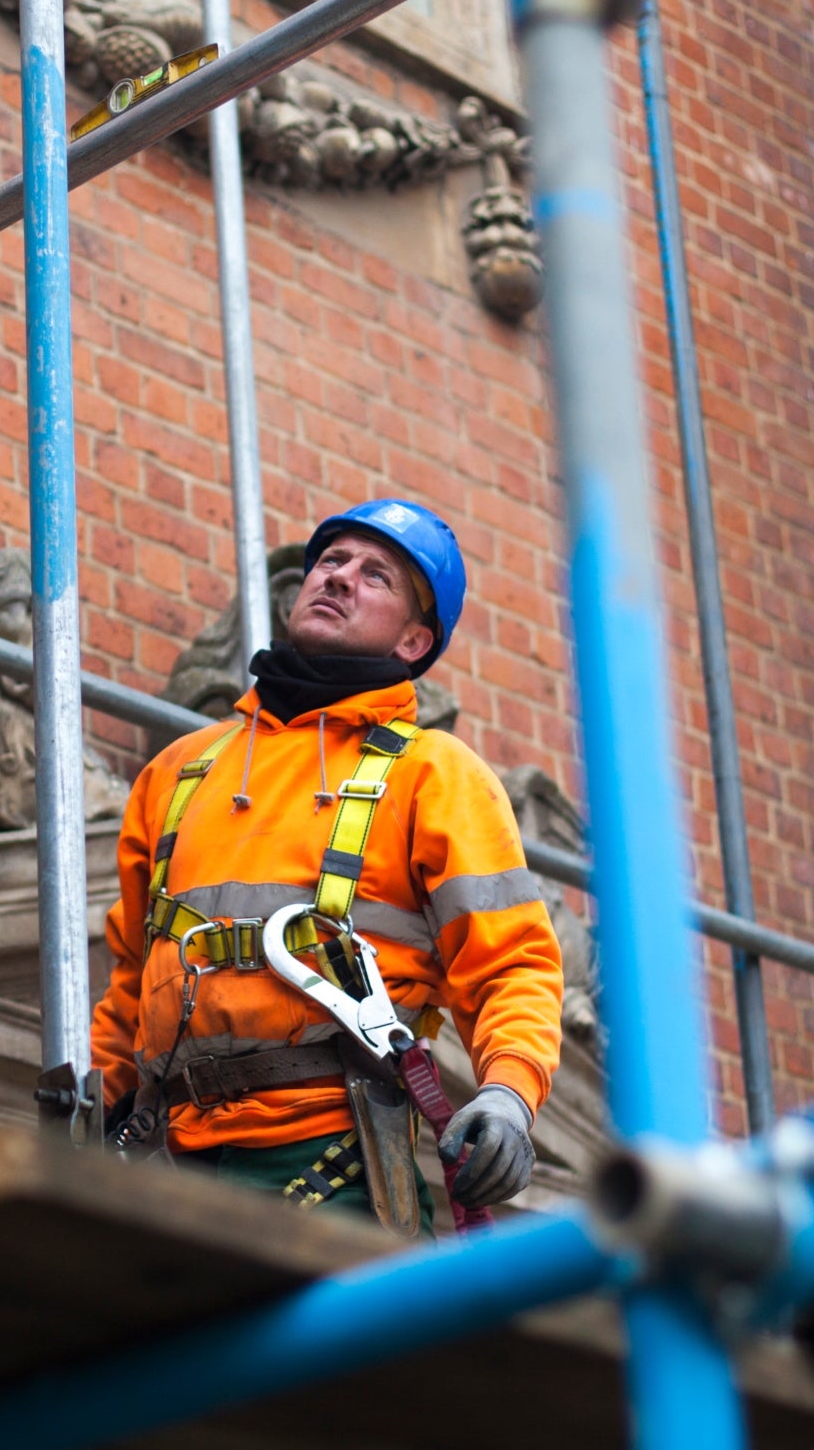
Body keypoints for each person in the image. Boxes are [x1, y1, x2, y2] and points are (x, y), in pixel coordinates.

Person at [90, 500, 564, 1233]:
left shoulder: (433, 773)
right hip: (169, 1152)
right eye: (332, 561)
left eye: (376, 574)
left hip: (326, 1156)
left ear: (414, 639)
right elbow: (131, 978)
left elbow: (512, 966)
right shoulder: (181, 771)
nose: (339, 578)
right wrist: (97, 1099)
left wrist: (508, 1093)